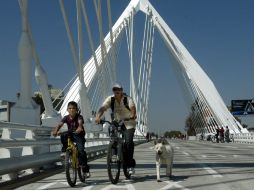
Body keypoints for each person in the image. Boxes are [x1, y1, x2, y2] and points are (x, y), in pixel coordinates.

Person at [95, 83, 137, 175]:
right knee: (113, 136)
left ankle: (130, 165)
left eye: (118, 90)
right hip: (117, 121)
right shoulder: (111, 99)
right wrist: (98, 116)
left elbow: (132, 107)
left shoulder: (128, 99)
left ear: (121, 90)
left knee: (129, 142)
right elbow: (103, 108)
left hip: (129, 122)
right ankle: (114, 153)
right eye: (114, 90)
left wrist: (133, 115)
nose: (116, 91)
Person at [52, 101, 90, 177]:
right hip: (71, 133)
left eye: (73, 108)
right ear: (67, 110)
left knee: (81, 151)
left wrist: (79, 128)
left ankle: (85, 170)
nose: (72, 110)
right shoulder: (66, 117)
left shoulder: (79, 116)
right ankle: (65, 150)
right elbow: (60, 124)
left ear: (76, 110)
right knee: (63, 135)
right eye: (70, 108)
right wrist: (56, 130)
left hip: (79, 135)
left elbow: (80, 123)